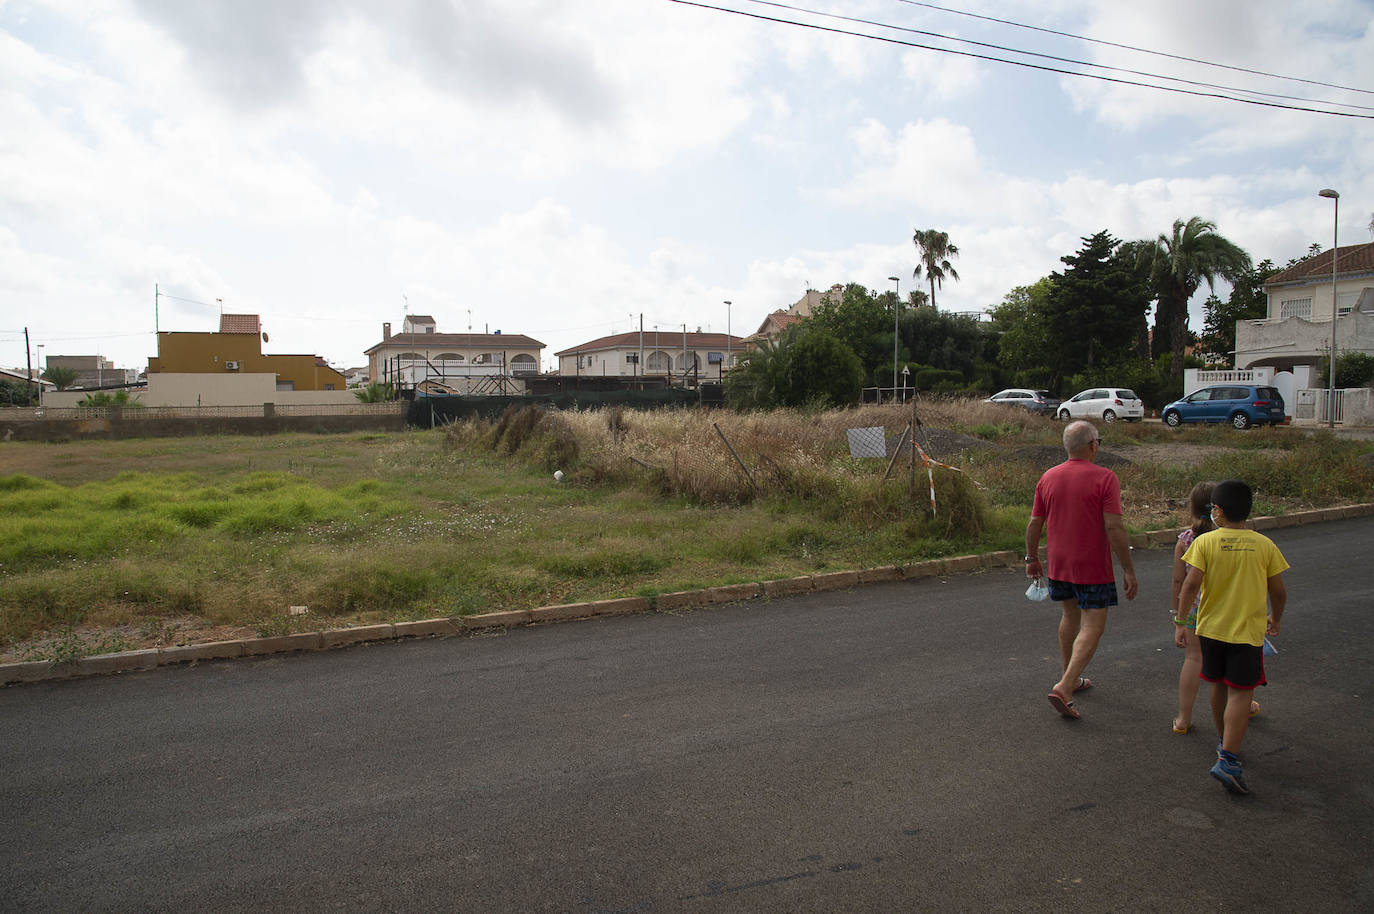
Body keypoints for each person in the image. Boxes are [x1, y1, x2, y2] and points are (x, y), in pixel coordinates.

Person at [1176, 479, 1288, 795]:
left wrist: (1181, 621)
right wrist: (1275, 618)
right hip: (1246, 635)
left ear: (1218, 511)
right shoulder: (1264, 545)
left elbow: (1189, 586)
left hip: (1210, 630)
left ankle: (1223, 740)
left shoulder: (1205, 543)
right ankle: (1229, 757)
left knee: (1219, 686)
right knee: (1241, 693)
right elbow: (1278, 591)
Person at [1025, 420, 1138, 720]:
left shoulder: (1048, 477)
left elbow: (1035, 523)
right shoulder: (1105, 478)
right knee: (1092, 625)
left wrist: (1031, 558)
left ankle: (1071, 676)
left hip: (1059, 563)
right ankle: (1065, 686)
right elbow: (1114, 525)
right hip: (1092, 566)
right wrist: (1128, 569)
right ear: (1093, 445)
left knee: (1069, 616)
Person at [1171, 482, 1259, 734]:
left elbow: (1179, 581)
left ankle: (1183, 718)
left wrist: (1178, 613)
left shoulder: (1187, 539)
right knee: (1235, 662)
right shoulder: (1242, 538)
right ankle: (1243, 704)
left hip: (1195, 610)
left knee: (1193, 659)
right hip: (1229, 610)